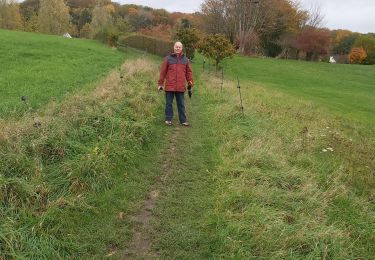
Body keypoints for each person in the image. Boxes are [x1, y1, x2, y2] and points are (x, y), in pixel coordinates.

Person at [158, 41, 193, 126]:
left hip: (180, 87)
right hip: (169, 86)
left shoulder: (186, 60)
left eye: (179, 47)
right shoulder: (167, 58)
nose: (177, 48)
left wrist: (190, 83)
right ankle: (168, 119)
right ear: (174, 48)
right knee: (168, 103)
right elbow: (163, 72)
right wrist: (160, 84)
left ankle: (183, 120)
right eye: (176, 47)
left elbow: (189, 73)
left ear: (182, 48)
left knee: (181, 104)